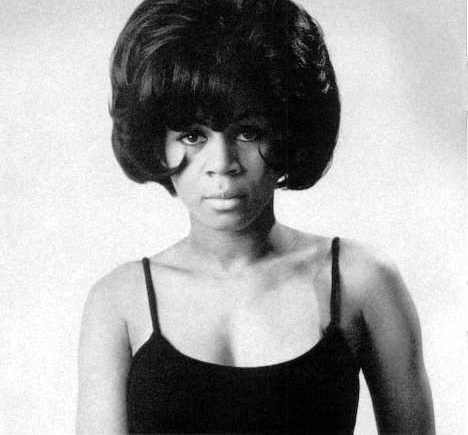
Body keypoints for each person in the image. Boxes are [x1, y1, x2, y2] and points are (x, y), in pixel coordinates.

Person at [76, 0, 435, 433]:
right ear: (156, 141)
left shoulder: (362, 281)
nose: (222, 164)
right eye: (192, 135)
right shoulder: (119, 301)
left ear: (289, 133)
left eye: (248, 132)